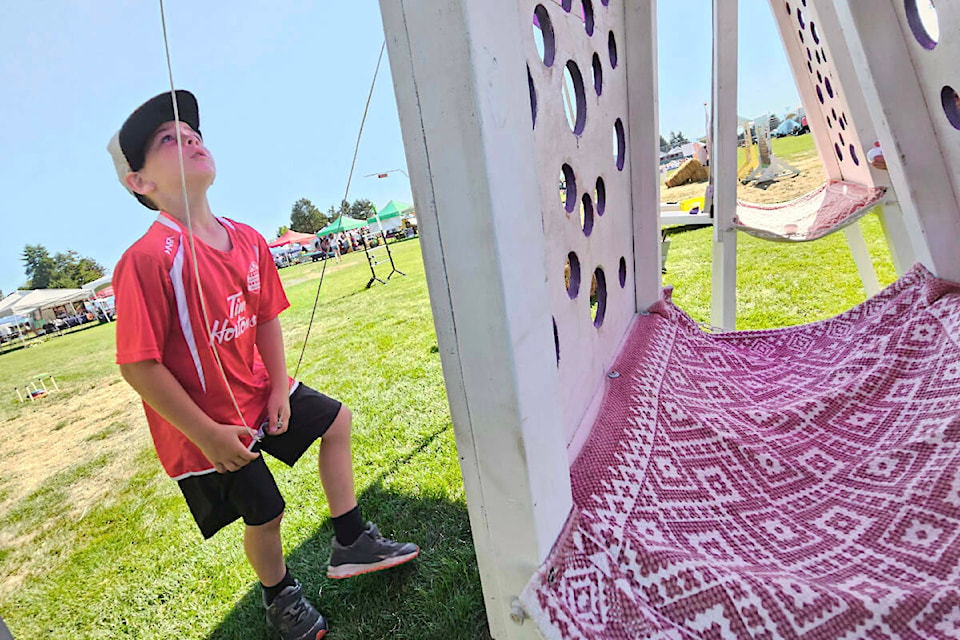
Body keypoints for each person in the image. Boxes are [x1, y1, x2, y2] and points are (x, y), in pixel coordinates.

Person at [107, 90, 418, 640]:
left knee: (336, 421)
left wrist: (279, 388)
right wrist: (205, 433)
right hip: (204, 425)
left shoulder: (248, 238)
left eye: (193, 134)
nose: (190, 139)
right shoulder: (147, 259)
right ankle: (281, 601)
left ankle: (350, 540)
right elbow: (139, 366)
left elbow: (267, 317)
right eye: (167, 140)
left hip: (257, 390)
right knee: (265, 510)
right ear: (140, 182)